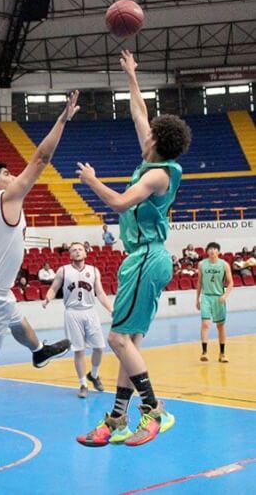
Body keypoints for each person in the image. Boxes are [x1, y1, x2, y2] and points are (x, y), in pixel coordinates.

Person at [0, 92, 79, 472]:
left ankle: (38, 350)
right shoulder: (4, 199)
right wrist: (63, 118)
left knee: (14, 312)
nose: (13, 176)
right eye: (6, 173)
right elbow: (41, 158)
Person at [75, 49, 191, 447]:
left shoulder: (158, 174)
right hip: (147, 259)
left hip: (145, 258)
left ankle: (154, 411)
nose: (145, 135)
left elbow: (122, 203)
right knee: (130, 344)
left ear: (158, 142)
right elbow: (140, 110)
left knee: (117, 341)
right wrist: (131, 75)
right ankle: (117, 420)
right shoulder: (156, 158)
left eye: (151, 135)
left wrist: (91, 181)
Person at [42, 242, 112, 398]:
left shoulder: (94, 270)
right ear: (70, 254)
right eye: (74, 250)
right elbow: (54, 288)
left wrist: (110, 309)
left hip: (90, 312)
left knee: (99, 347)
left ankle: (93, 375)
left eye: (80, 249)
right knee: (79, 351)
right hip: (72, 313)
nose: (77, 252)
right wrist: (47, 298)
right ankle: (83, 384)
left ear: (85, 253)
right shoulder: (63, 271)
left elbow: (100, 293)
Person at [196, 242, 233, 363]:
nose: (212, 251)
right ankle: (204, 352)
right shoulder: (202, 264)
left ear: (218, 251)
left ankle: (222, 354)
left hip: (219, 297)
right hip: (206, 297)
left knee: (220, 326)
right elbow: (199, 282)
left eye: (215, 249)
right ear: (207, 251)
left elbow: (231, 283)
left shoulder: (224, 265)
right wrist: (197, 299)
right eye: (210, 249)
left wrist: (225, 295)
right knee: (205, 324)